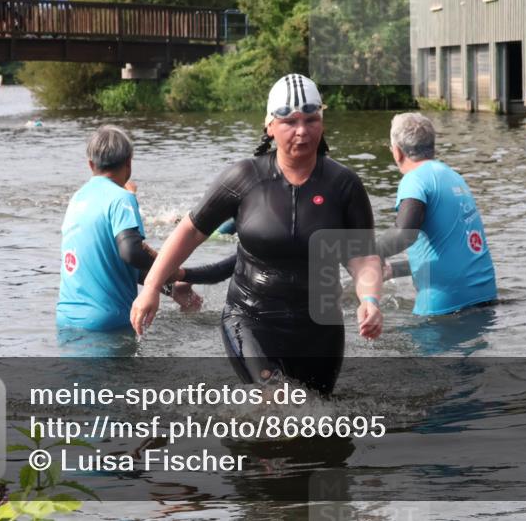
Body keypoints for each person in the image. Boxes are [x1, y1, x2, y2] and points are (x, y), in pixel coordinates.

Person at [130, 74, 383, 396]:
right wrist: (152, 286)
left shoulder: (343, 184)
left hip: (320, 325)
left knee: (319, 419)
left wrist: (370, 301)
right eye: (290, 121)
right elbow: (191, 231)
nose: (302, 130)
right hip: (251, 317)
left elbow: (363, 257)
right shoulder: (243, 178)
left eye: (311, 119)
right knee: (275, 402)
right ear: (270, 126)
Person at [58, 125, 203, 333]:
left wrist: (170, 289)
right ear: (129, 162)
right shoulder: (122, 198)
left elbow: (110, 265)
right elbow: (131, 251)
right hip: (109, 324)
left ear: (90, 165)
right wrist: (170, 272)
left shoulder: (77, 199)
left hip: (66, 321)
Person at [377, 113, 497, 316]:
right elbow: (449, 252)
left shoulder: (414, 180)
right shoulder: (453, 176)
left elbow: (404, 233)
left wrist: (370, 252)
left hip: (444, 306)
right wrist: (393, 271)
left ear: (397, 152)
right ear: (432, 146)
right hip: (484, 298)